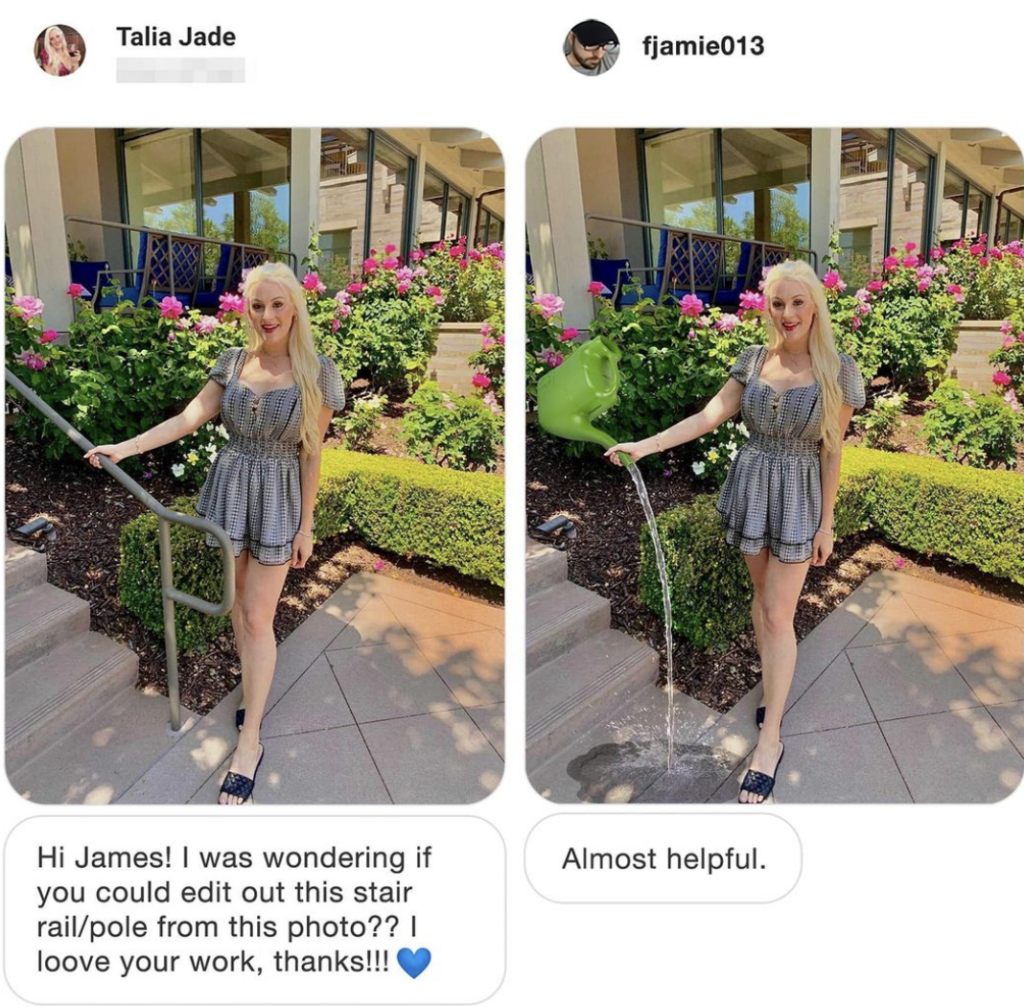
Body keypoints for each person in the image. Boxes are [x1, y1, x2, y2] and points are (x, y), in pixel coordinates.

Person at [605, 260, 866, 803]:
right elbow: (707, 416)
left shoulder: (838, 371)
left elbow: (832, 451)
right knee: (762, 602)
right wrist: (645, 445)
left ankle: (770, 740)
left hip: (798, 496)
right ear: (767, 308)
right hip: (752, 489)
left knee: (777, 614)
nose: (787, 313)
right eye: (777, 303)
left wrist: (827, 522)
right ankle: (774, 685)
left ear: (815, 305)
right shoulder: (753, 360)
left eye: (797, 302)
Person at [85, 262, 346, 805]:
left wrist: (307, 524)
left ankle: (249, 741)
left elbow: (312, 453)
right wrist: (125, 448)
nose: (267, 315)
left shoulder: (317, 372)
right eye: (257, 306)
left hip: (277, 499)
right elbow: (187, 418)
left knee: (257, 616)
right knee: (237, 610)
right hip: (231, 494)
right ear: (246, 310)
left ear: (294, 306)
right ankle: (254, 691)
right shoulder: (233, 361)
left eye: (277, 304)